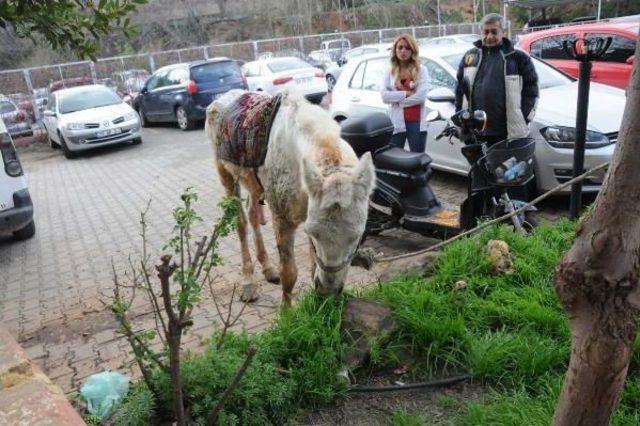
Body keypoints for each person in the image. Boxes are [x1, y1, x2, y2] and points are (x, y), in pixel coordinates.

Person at [455, 13, 539, 147]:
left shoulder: (518, 58)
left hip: (505, 133)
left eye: (494, 32)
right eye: (486, 32)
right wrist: (460, 117)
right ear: (480, 32)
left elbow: (531, 92)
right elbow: (459, 90)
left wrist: (523, 118)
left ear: (503, 32)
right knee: (478, 168)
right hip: (474, 131)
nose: (489, 36)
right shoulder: (470, 57)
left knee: (503, 168)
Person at [380, 33, 429, 153]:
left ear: (413, 51)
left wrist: (399, 102)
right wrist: (406, 94)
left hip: (416, 122)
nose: (403, 51)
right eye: (400, 47)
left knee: (417, 158)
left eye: (407, 48)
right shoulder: (389, 72)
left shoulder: (421, 70)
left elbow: (421, 97)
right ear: (395, 50)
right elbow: (384, 96)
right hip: (397, 122)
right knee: (395, 158)